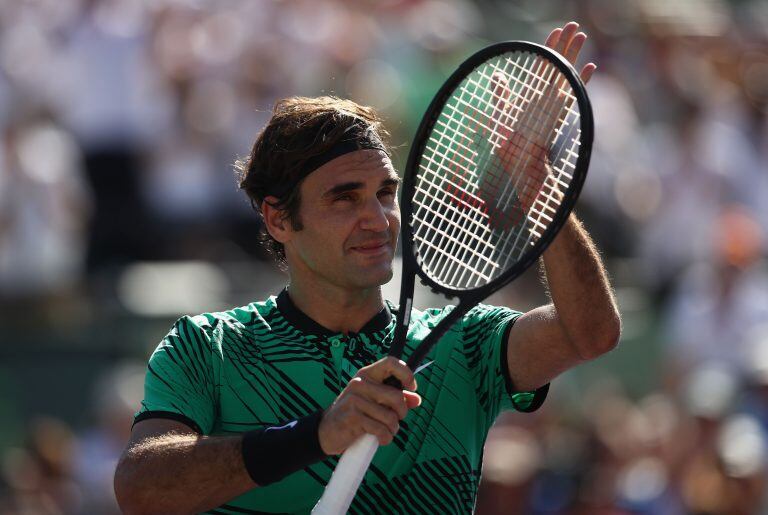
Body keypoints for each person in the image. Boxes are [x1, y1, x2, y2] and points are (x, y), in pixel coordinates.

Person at [114, 22, 620, 515]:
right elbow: (142, 489)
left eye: (384, 194)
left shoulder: (467, 345)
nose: (377, 220)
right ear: (279, 218)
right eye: (344, 198)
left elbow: (590, 334)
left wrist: (537, 194)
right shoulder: (205, 348)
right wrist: (315, 435)